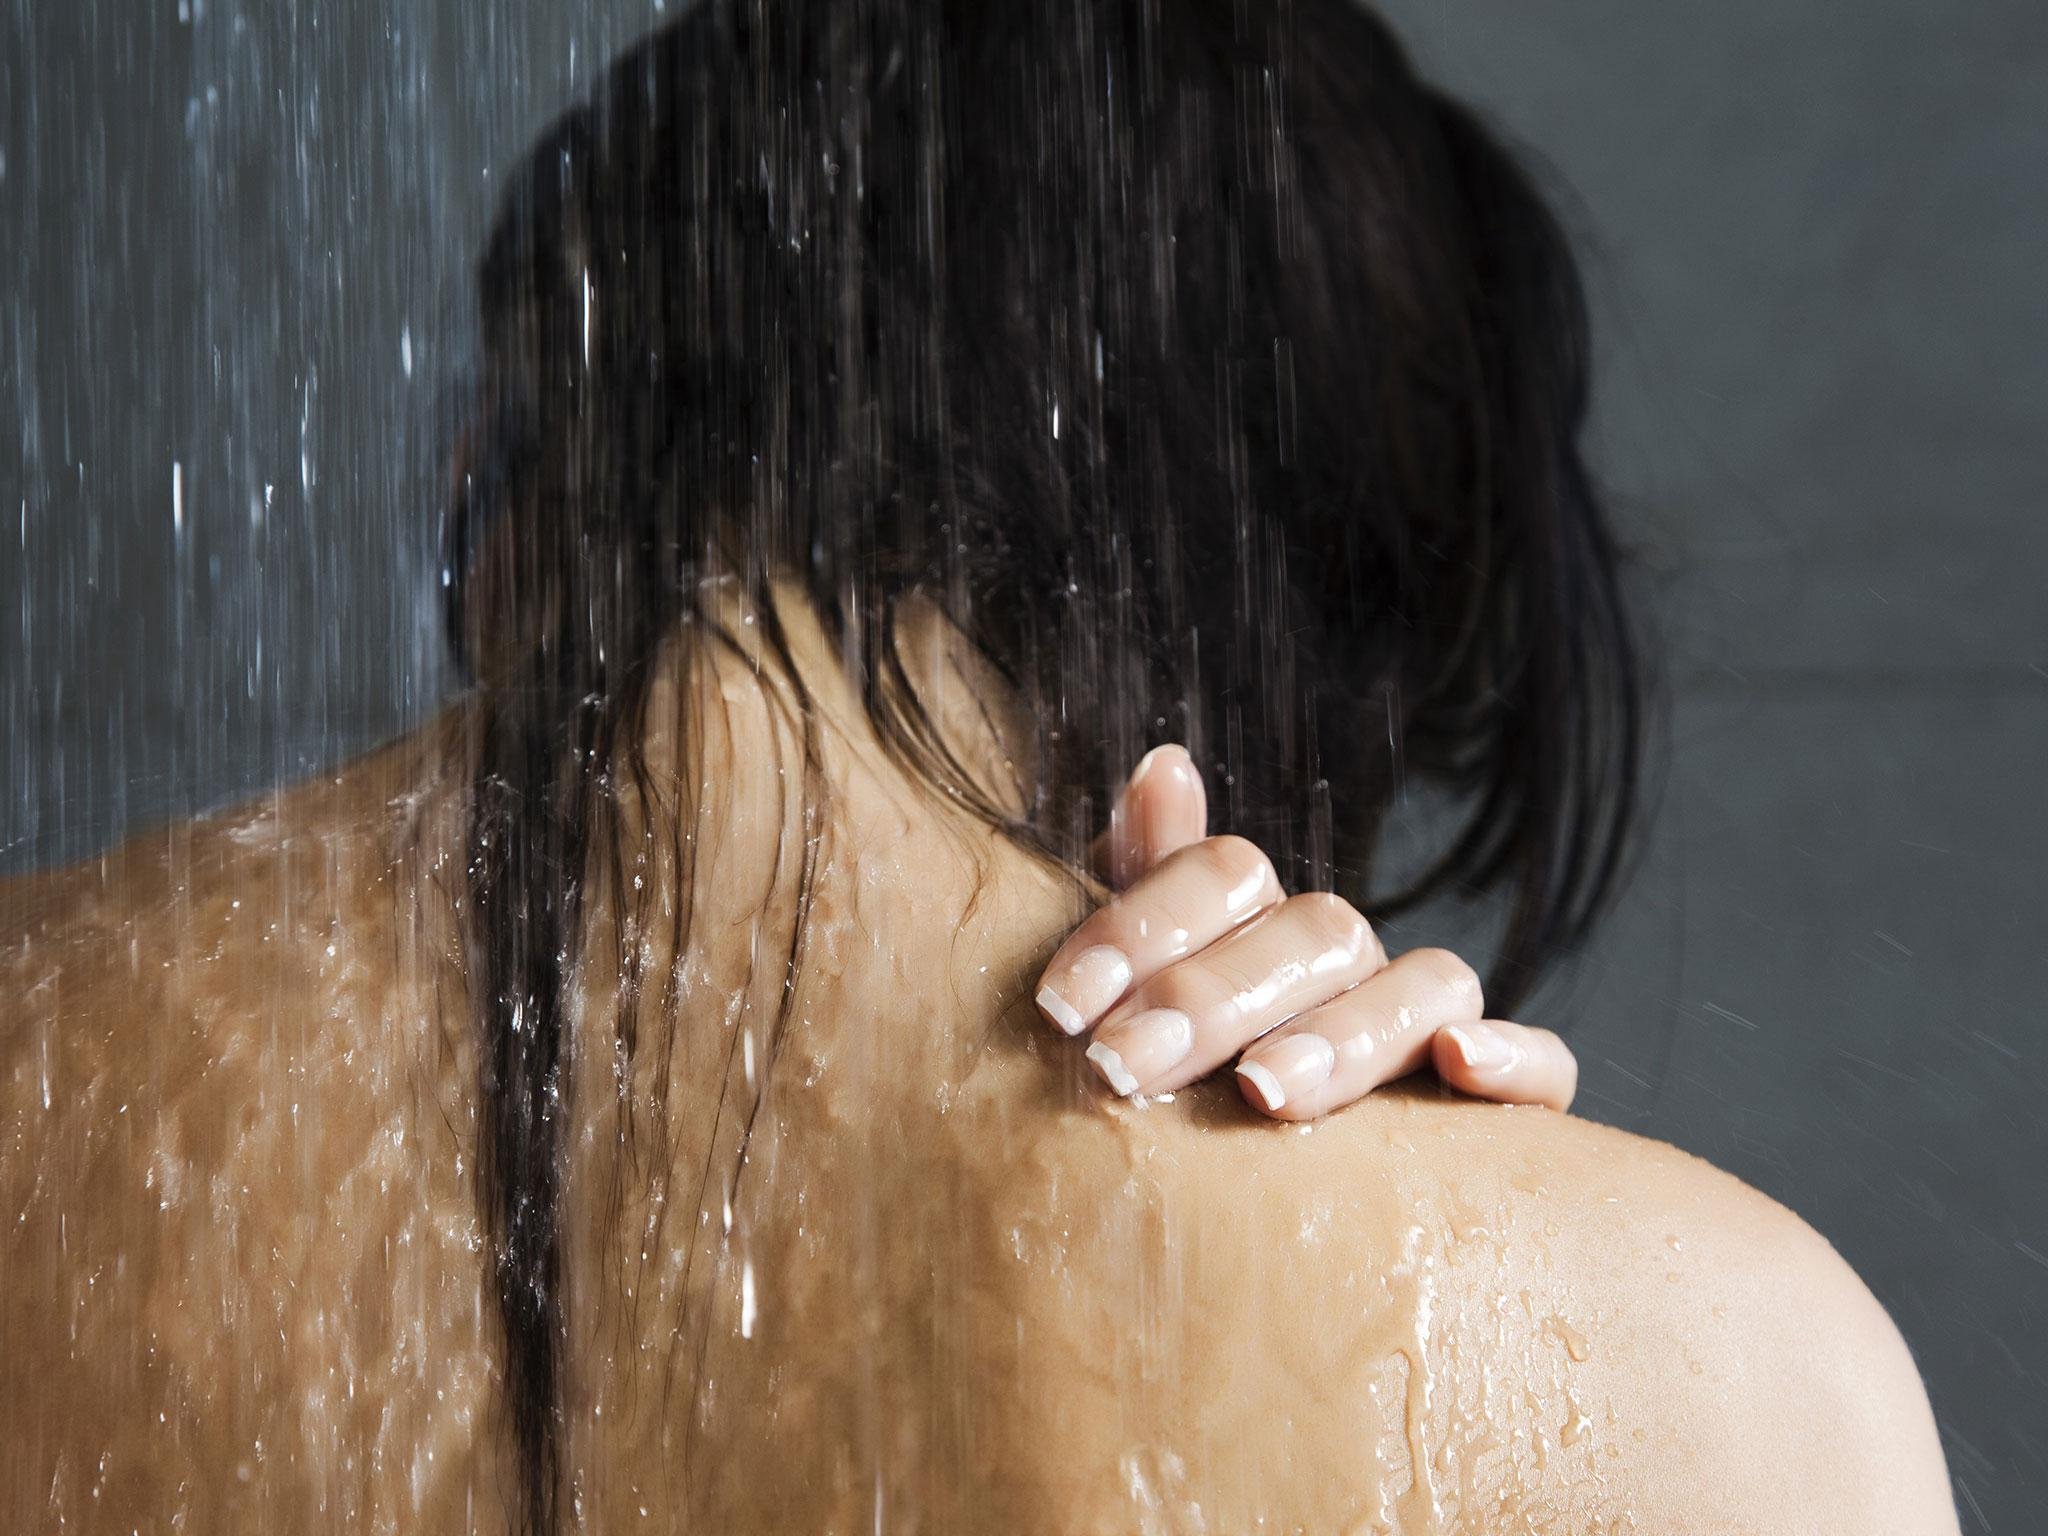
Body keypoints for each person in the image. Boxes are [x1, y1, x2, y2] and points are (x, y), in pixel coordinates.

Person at [0, 0, 1956, 1531]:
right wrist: (1510, 1230)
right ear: (1302, 650)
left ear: (511, 470)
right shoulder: (1689, 1363)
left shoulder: (44, 1066)